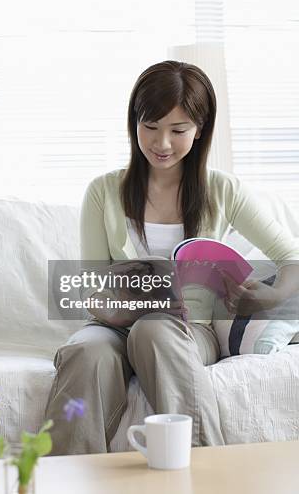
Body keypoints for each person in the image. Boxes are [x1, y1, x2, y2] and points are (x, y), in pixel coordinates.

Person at [44, 60, 299, 455]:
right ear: (134, 124)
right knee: (86, 352)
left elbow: (292, 258)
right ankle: (62, 477)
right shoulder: (103, 191)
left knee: (154, 330)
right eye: (150, 127)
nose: (162, 143)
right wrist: (120, 306)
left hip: (183, 330)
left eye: (178, 130)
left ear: (199, 130)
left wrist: (270, 297)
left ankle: (206, 472)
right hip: (112, 327)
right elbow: (90, 292)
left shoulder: (223, 189)